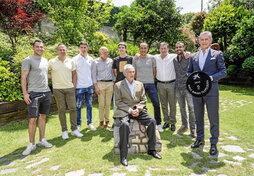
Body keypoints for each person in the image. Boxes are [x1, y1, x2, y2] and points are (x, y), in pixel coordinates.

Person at [114, 64, 162, 166]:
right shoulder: (118, 85)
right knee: (124, 125)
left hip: (138, 110)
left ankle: (152, 150)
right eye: (129, 72)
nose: (132, 74)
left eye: (133, 72)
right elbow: (118, 102)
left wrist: (138, 109)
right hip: (125, 110)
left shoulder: (139, 84)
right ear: (124, 73)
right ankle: (123, 155)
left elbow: (143, 100)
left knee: (152, 121)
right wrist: (130, 110)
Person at [187, 31, 226, 155]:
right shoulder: (194, 56)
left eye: (206, 39)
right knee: (198, 117)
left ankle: (213, 143)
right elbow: (188, 72)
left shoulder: (217, 54)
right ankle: (199, 139)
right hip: (197, 92)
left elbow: (223, 72)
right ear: (198, 41)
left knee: (213, 117)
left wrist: (211, 78)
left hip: (212, 91)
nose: (203, 42)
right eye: (201, 39)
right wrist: (193, 78)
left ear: (210, 40)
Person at [21, 39, 52, 155]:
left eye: (42, 47)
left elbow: (45, 75)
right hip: (33, 93)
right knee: (32, 119)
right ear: (33, 48)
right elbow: (23, 78)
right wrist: (25, 94)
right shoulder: (27, 60)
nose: (40, 49)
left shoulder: (45, 60)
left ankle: (42, 140)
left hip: (46, 92)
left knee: (43, 117)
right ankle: (31, 144)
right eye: (38, 47)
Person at [48, 44, 83, 140]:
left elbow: (74, 74)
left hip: (70, 88)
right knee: (61, 109)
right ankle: (64, 131)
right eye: (60, 49)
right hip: (58, 89)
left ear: (66, 50)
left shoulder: (71, 61)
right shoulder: (51, 62)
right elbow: (45, 72)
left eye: (64, 49)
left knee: (73, 108)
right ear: (57, 51)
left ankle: (74, 129)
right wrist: (53, 77)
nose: (62, 51)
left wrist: (74, 85)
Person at [133, 43, 163, 132]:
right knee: (138, 104)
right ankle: (140, 122)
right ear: (139, 49)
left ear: (147, 49)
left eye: (145, 48)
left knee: (156, 103)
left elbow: (154, 71)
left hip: (150, 84)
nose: (143, 50)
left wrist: (151, 80)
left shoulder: (152, 58)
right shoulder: (136, 59)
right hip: (139, 85)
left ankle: (158, 123)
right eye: (141, 48)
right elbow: (134, 72)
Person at [173, 42, 195, 137]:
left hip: (188, 87)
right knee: (182, 108)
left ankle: (193, 129)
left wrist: (190, 54)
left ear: (184, 47)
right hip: (178, 87)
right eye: (177, 47)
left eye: (180, 47)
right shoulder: (174, 59)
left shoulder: (189, 57)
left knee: (191, 108)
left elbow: (196, 56)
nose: (179, 49)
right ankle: (184, 125)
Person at [73, 42, 96, 131]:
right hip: (79, 86)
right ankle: (78, 124)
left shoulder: (91, 59)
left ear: (87, 48)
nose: (83, 49)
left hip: (89, 86)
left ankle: (90, 123)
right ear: (79, 48)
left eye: (85, 47)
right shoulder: (75, 59)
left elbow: (93, 73)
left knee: (89, 106)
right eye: (82, 47)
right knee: (78, 106)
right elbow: (73, 73)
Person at [154, 42, 177, 132]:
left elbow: (183, 54)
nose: (163, 50)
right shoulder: (155, 57)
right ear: (159, 49)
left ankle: (173, 123)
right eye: (161, 48)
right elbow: (145, 55)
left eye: (165, 48)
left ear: (168, 49)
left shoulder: (173, 56)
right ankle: (166, 121)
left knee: (172, 104)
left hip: (171, 83)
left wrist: (188, 53)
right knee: (163, 104)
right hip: (160, 84)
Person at [92, 47, 114, 129]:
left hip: (109, 83)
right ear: (100, 53)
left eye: (107, 52)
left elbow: (112, 73)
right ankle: (101, 122)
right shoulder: (95, 61)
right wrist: (96, 87)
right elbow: (93, 75)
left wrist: (113, 83)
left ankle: (107, 121)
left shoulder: (111, 61)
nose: (106, 54)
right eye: (104, 52)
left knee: (108, 104)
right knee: (101, 104)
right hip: (100, 83)